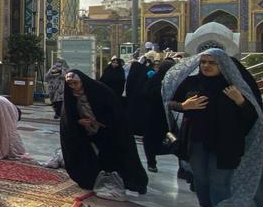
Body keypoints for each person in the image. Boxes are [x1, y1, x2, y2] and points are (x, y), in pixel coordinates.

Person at [165, 48, 263, 207]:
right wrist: (183, 106)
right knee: (200, 175)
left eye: (211, 63)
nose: (206, 66)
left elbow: (252, 118)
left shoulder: (234, 86)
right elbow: (170, 103)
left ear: (223, 65)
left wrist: (240, 101)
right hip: (196, 139)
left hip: (225, 142)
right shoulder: (192, 83)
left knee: (220, 179)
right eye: (203, 62)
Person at [60, 69, 148, 199]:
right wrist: (79, 121)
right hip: (86, 131)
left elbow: (115, 113)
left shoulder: (100, 91)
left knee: (115, 156)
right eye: (70, 84)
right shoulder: (71, 96)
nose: (73, 87)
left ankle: (131, 182)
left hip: (108, 130)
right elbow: (68, 117)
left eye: (75, 83)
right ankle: (90, 179)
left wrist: (100, 122)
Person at [142, 57, 176, 172]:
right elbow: (148, 94)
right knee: (151, 139)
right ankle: (151, 162)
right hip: (154, 115)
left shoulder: (174, 80)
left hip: (168, 116)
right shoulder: (155, 80)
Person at [124, 57, 149, 135]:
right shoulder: (143, 74)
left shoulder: (132, 75)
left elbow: (128, 87)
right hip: (141, 100)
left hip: (132, 99)